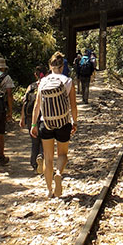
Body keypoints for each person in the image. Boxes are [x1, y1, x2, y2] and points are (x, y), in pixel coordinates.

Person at [30, 52, 77, 198]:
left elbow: (37, 105)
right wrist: (74, 122)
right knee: (62, 154)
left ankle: (49, 190)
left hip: (46, 123)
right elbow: (73, 106)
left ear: (50, 66)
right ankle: (58, 172)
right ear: (62, 67)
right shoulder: (68, 81)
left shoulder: (42, 82)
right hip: (63, 122)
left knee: (48, 157)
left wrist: (33, 125)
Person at [20, 65, 47, 175]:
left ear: (35, 75)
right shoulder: (46, 85)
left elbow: (25, 102)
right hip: (44, 115)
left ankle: (34, 164)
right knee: (44, 140)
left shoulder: (31, 87)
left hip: (30, 116)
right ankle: (41, 157)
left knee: (34, 140)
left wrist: (22, 118)